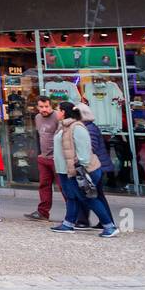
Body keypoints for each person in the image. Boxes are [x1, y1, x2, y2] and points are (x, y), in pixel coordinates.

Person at [50, 101, 118, 237]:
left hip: (77, 171)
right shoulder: (63, 127)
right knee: (71, 197)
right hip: (64, 170)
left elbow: (84, 153)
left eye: (57, 109)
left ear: (63, 112)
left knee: (87, 198)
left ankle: (109, 226)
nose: (55, 112)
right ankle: (68, 223)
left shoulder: (77, 127)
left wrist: (79, 169)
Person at [77, 103, 117, 231]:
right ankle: (106, 220)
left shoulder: (88, 128)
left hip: (94, 166)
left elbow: (90, 147)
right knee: (98, 194)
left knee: (87, 193)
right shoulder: (89, 127)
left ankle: (84, 221)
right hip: (98, 165)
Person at [24, 95, 63, 221]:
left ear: (51, 106)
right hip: (44, 157)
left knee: (64, 186)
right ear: (37, 107)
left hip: (57, 157)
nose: (44, 109)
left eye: (46, 106)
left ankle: (75, 214)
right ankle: (43, 212)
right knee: (44, 185)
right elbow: (40, 135)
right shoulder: (37, 117)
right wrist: (39, 153)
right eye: (41, 107)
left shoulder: (58, 116)